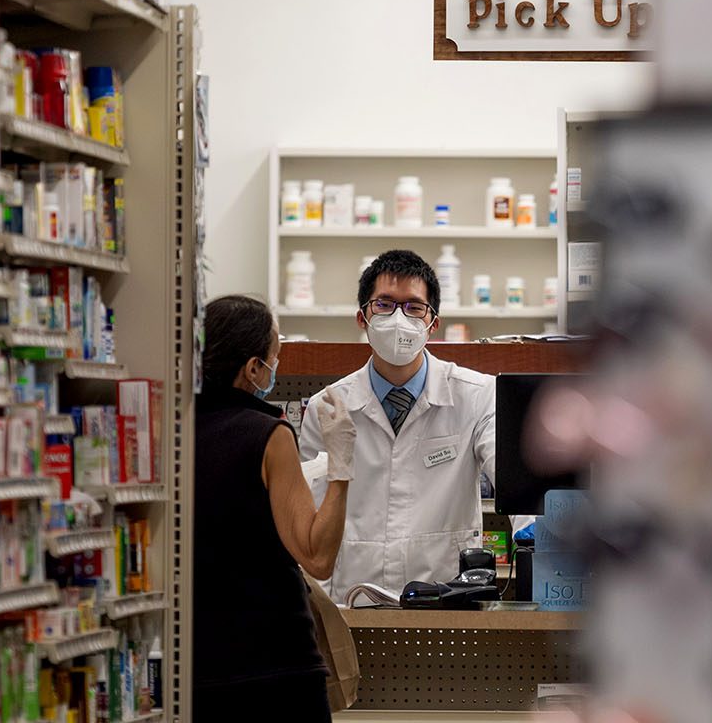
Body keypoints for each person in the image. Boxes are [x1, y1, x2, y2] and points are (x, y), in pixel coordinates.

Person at [299, 249, 500, 604]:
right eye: (384, 304)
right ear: (362, 317)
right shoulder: (326, 408)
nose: (398, 318)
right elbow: (311, 528)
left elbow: (514, 478)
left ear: (432, 322)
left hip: (447, 604)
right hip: (353, 604)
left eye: (413, 307)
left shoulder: (476, 395)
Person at [194, 294, 356, 723]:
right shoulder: (267, 433)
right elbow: (316, 556)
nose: (274, 367)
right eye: (274, 357)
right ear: (252, 369)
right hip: (274, 663)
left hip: (196, 663)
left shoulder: (174, 427)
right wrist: (341, 467)